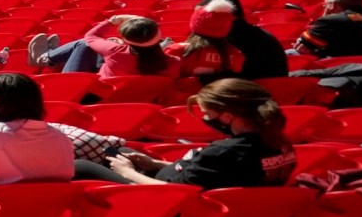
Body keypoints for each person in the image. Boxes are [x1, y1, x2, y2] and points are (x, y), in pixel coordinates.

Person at [106, 79, 298, 190]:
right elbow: (214, 175)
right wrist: (156, 164)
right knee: (122, 151)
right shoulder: (280, 144)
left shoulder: (225, 152)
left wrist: (127, 172)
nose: (205, 118)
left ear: (227, 115)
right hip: (177, 183)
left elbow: (181, 193)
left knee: (84, 166)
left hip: (169, 204)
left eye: (207, 113)